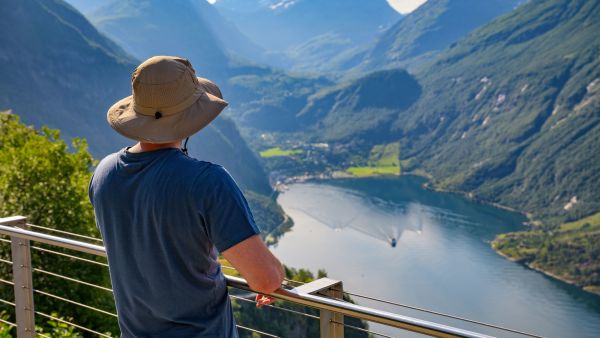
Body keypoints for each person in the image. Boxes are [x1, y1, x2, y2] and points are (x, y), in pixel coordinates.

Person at [88, 55, 284, 337]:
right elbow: (266, 279)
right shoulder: (207, 182)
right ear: (191, 117)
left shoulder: (104, 173)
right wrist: (273, 276)